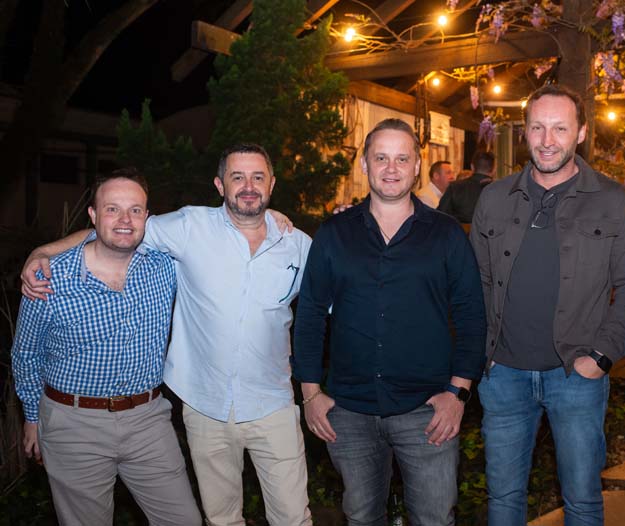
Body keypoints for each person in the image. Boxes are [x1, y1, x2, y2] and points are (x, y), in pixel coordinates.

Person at [21, 144, 312, 526]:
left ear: (272, 184)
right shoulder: (187, 229)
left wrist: (314, 391)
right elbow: (115, 232)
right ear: (219, 185)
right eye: (237, 177)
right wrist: (42, 251)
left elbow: (328, 307)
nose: (248, 186)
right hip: (192, 406)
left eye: (258, 177)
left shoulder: (296, 245)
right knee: (220, 519)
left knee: (286, 518)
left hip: (254, 404)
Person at [293, 118, 486, 525]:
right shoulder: (335, 233)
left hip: (427, 410)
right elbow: (309, 314)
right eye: (381, 158)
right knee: (362, 518)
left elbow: (472, 316)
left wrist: (458, 393)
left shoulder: (447, 234)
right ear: (365, 164)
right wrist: (310, 393)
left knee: (434, 519)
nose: (391, 168)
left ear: (417, 166)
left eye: (402, 158)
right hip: (349, 411)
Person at [469, 84, 625, 525]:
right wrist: (481, 355)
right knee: (503, 499)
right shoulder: (494, 197)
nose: (547, 140)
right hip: (502, 374)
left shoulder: (613, 200)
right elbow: (477, 282)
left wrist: (602, 356)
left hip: (576, 375)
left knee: (582, 500)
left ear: (581, 133)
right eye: (538, 128)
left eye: (560, 128)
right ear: (524, 132)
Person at [12, 169, 202, 526]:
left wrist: (271, 220)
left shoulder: (164, 266)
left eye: (135, 210)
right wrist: (32, 418)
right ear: (93, 215)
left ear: (147, 217)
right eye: (112, 209)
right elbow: (26, 354)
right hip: (72, 422)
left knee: (184, 520)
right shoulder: (49, 278)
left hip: (148, 420)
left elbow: (223, 231)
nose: (125, 220)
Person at [438, 150, 495, 223]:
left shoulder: (455, 187)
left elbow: (440, 216)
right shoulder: (502, 191)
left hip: (459, 230)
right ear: (494, 170)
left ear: (472, 167)